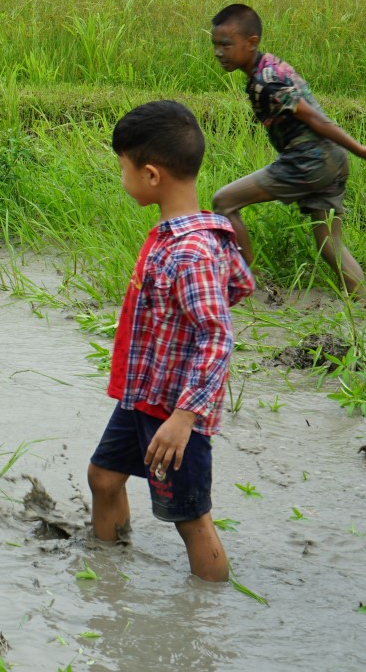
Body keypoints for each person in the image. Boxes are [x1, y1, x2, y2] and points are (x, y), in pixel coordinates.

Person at [89, 100, 252, 583]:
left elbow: (218, 337)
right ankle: (105, 576)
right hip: (143, 398)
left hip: (176, 416)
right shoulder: (183, 235)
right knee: (103, 477)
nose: (122, 179)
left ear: (152, 175)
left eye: (123, 168)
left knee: (190, 518)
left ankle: (205, 613)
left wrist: (185, 417)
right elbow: (240, 283)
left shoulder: (191, 251)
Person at [209, 4, 366, 294]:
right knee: (329, 244)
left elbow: (313, 118)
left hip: (308, 161)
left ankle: (254, 285)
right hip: (332, 159)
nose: (219, 52)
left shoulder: (265, 81)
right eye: (215, 45)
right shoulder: (270, 64)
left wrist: (363, 150)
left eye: (226, 44)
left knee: (224, 202)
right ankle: (365, 304)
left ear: (251, 43)